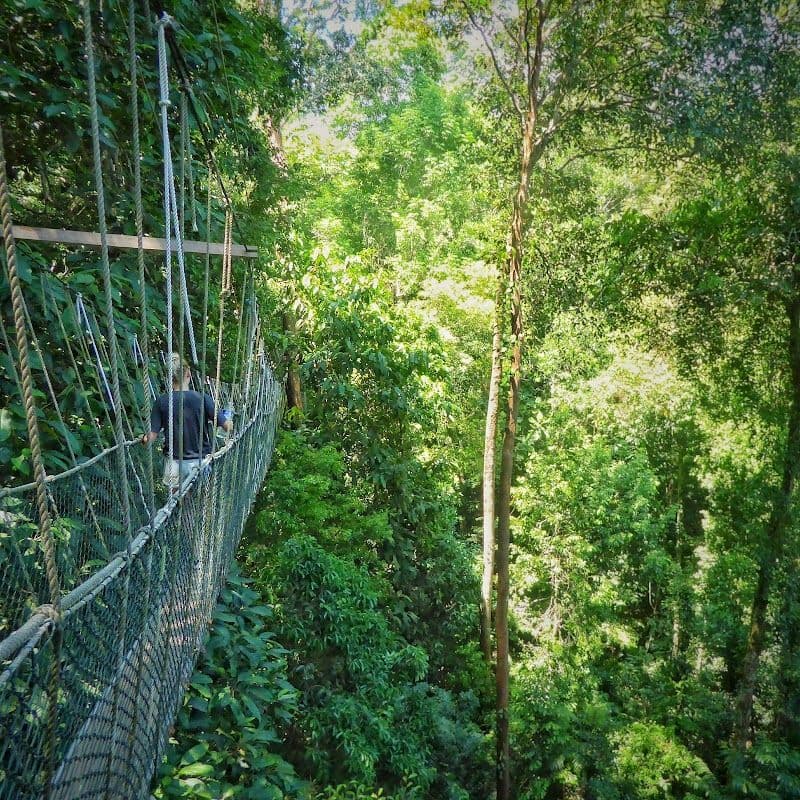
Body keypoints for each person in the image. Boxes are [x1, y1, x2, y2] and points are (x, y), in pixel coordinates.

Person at [141, 353, 232, 490]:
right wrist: (229, 420)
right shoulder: (202, 398)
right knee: (200, 503)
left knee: (175, 504)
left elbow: (151, 437)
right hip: (200, 462)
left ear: (170, 377)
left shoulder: (161, 402)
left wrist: (143, 439)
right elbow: (226, 426)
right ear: (188, 373)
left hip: (174, 464)